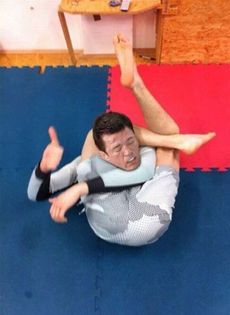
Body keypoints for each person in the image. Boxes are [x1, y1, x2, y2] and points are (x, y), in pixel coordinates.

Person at [27, 34, 215, 246]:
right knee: (168, 143)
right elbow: (36, 194)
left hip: (105, 224)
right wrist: (44, 169)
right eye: (117, 149)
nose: (129, 152)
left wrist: (79, 188)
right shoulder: (87, 163)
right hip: (144, 222)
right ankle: (139, 89)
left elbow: (139, 171)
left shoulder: (92, 165)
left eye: (131, 142)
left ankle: (136, 87)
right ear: (103, 154)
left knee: (102, 138)